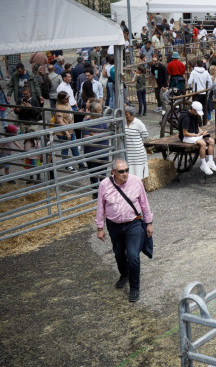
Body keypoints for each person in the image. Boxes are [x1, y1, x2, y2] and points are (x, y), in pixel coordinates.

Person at [95, 159, 154, 303]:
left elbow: (144, 203)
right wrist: (100, 228)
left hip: (133, 224)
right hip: (114, 225)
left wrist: (149, 223)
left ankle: (134, 287)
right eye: (121, 171)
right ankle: (124, 274)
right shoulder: (104, 184)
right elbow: (100, 207)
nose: (125, 174)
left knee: (133, 255)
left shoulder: (136, 182)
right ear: (113, 172)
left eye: (127, 170)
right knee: (119, 253)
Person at [178, 101, 216, 175]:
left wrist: (202, 132)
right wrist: (197, 135)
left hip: (195, 135)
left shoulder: (195, 115)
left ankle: (210, 162)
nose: (198, 114)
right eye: (197, 112)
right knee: (203, 143)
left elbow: (197, 127)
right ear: (193, 109)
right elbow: (185, 133)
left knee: (211, 141)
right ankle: (203, 165)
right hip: (186, 137)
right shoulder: (186, 118)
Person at [54, 91, 84, 171]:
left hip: (71, 129)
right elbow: (60, 121)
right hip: (63, 132)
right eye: (66, 98)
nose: (68, 99)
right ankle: (67, 165)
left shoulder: (67, 104)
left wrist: (78, 112)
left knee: (74, 147)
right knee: (65, 149)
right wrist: (66, 132)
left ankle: (81, 164)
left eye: (68, 97)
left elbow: (70, 114)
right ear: (61, 99)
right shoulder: (59, 107)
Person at [123, 106, 149, 179]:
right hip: (128, 153)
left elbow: (145, 134)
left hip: (138, 153)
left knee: (139, 173)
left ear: (132, 115)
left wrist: (137, 140)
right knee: (129, 172)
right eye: (124, 114)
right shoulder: (123, 123)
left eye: (127, 115)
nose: (125, 116)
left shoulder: (138, 123)